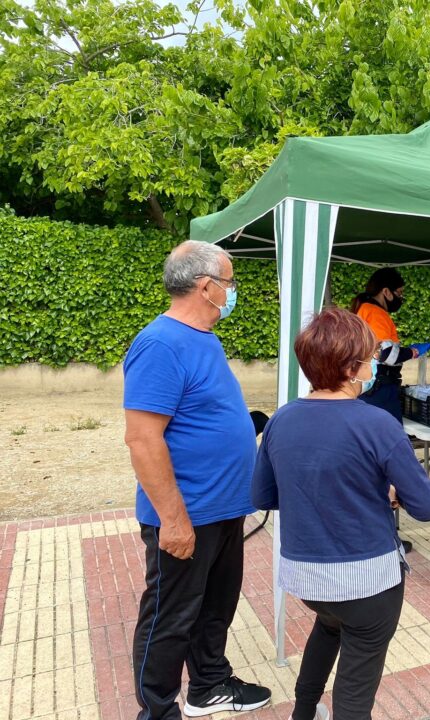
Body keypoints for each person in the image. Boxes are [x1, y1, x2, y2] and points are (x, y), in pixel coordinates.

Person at [251, 308, 430, 720]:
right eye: (371, 359)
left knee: (329, 626)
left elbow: (263, 494)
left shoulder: (282, 420)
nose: (374, 366)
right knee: (356, 689)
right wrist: (381, 491)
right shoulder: (377, 423)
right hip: (367, 579)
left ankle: (303, 711)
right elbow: (427, 506)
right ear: (353, 367)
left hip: (307, 576)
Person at [123, 241, 271, 719]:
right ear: (206, 286)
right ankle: (157, 710)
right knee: (171, 618)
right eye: (229, 282)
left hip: (224, 509)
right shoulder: (160, 344)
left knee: (215, 609)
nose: (232, 292)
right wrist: (173, 520)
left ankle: (208, 685)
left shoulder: (202, 337)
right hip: (188, 515)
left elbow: (197, 413)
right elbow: (144, 439)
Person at [350, 267, 430, 422]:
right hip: (380, 389)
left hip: (367, 387)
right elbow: (386, 354)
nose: (400, 297)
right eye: (399, 293)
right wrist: (412, 351)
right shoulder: (375, 313)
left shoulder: (362, 309)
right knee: (389, 438)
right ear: (386, 292)